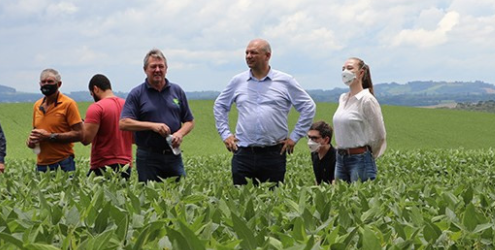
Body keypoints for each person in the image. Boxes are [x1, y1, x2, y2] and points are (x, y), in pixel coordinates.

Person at [213, 38, 316, 186]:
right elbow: (220, 105)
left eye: (253, 53)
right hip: (243, 153)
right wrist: (225, 134)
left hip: (273, 154)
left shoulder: (285, 81)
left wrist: (294, 137)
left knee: (272, 202)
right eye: (247, 53)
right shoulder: (238, 81)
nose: (248, 56)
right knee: (241, 203)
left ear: (267, 56)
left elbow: (308, 106)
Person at [120, 49, 194, 182]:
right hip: (148, 156)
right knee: (149, 197)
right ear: (145, 69)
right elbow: (124, 123)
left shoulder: (177, 91)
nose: (157, 70)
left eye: (161, 66)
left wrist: (180, 134)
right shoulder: (137, 93)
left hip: (173, 155)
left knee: (180, 195)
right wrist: (152, 126)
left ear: (166, 69)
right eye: (153, 67)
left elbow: (189, 121)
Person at [332, 57, 386, 183]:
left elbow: (379, 134)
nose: (345, 71)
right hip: (340, 159)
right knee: (340, 199)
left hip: (360, 159)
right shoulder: (343, 98)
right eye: (343, 69)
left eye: (350, 68)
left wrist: (367, 154)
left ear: (361, 73)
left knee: (359, 199)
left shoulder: (367, 100)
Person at [27, 68, 83, 172]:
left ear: (59, 84)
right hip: (41, 164)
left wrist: (50, 136)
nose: (46, 84)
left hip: (63, 163)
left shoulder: (68, 104)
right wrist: (30, 141)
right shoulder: (37, 105)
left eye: (50, 82)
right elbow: (35, 131)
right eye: (43, 82)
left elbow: (80, 134)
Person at [81, 74, 133, 179]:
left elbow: (86, 139)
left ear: (95, 89)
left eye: (92, 94)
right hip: (126, 165)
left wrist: (80, 126)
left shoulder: (97, 107)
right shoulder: (127, 105)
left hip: (102, 164)